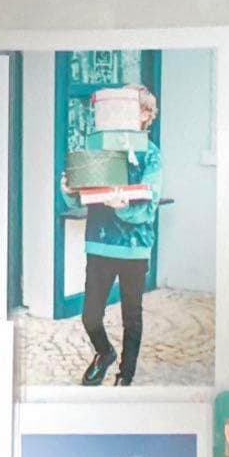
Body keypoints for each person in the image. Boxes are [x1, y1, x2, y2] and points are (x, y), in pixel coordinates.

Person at [61, 84, 162, 387]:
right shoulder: (99, 148)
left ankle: (125, 376)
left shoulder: (151, 155)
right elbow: (81, 197)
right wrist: (70, 191)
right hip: (100, 243)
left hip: (134, 248)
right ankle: (104, 353)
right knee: (90, 316)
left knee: (132, 316)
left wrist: (123, 208)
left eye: (129, 108)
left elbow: (148, 207)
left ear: (145, 115)